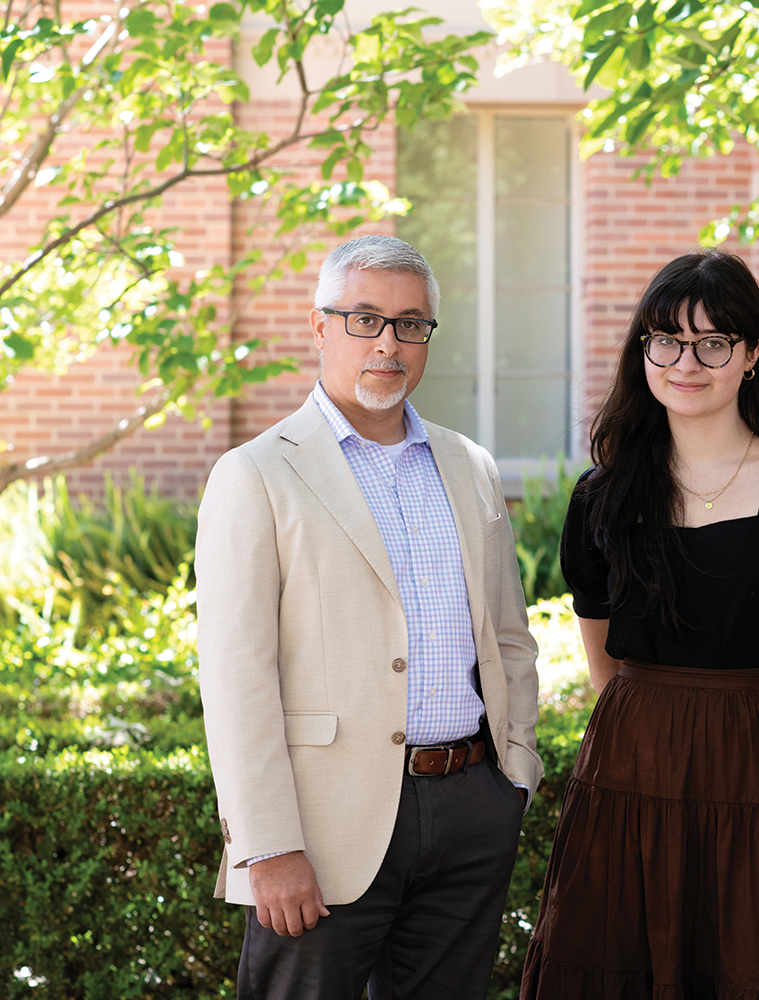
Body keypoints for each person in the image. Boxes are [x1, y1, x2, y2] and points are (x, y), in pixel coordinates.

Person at [520, 249, 759, 999]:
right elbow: (602, 652)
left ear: (750, 355)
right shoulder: (603, 496)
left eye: (713, 342)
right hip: (629, 775)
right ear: (643, 351)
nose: (687, 362)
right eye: (667, 341)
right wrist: (652, 744)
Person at [196, 234, 542, 1000]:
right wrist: (267, 847)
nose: (388, 342)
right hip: (321, 831)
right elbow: (234, 676)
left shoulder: (470, 466)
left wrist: (514, 770)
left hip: (469, 807)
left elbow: (509, 634)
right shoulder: (256, 474)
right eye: (364, 319)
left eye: (410, 323)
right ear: (320, 328)